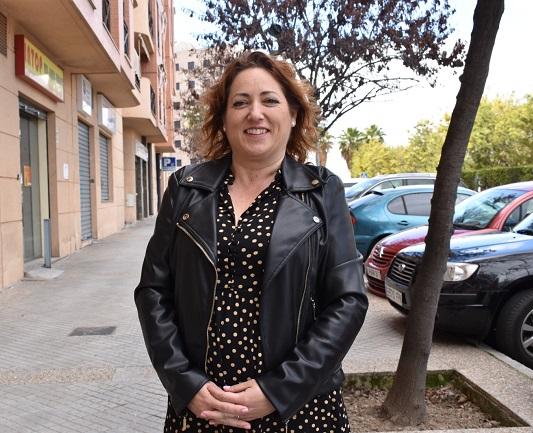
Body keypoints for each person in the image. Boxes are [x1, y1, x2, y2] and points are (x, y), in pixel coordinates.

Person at [134, 51, 368, 432]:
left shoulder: (323, 192)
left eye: (269, 100)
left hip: (298, 410)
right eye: (240, 103)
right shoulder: (185, 190)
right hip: (203, 410)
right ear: (224, 118)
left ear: (293, 114)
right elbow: (153, 293)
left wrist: (277, 390)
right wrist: (185, 384)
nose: (254, 113)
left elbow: (348, 301)